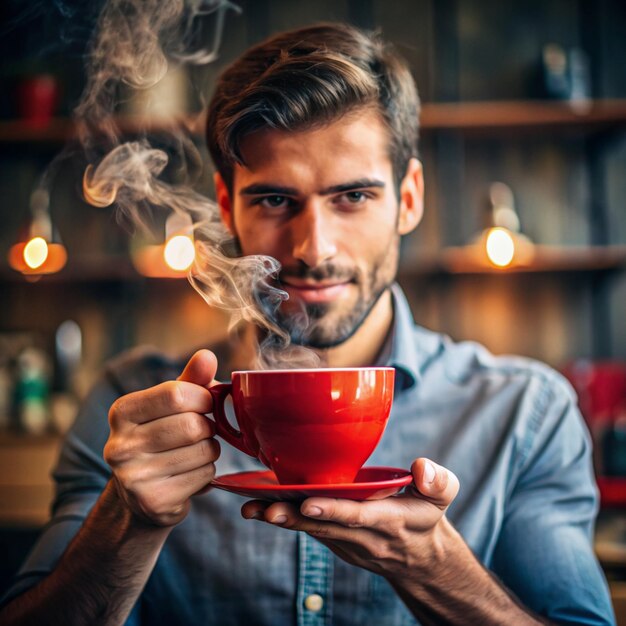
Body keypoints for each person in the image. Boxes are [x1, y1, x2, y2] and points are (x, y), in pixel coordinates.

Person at [0, 22, 616, 626]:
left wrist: (436, 571)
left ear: (409, 198)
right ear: (225, 205)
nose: (313, 247)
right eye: (274, 199)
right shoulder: (131, 409)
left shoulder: (526, 413)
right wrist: (126, 523)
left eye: (352, 197)